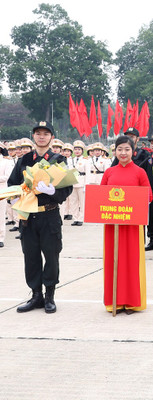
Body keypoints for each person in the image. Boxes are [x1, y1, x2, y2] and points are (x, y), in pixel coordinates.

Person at [11, 121, 73, 313]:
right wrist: (13, 199)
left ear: (51, 138)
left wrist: (53, 190)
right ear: (33, 136)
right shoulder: (24, 159)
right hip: (28, 217)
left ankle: (50, 296)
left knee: (51, 256)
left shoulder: (58, 159)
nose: (41, 137)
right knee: (31, 257)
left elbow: (67, 187)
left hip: (49, 214)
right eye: (38, 133)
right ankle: (36, 295)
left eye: (46, 134)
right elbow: (13, 183)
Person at [99, 135, 153, 313]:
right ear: (114, 151)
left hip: (132, 225)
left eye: (127, 149)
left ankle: (131, 301)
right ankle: (114, 300)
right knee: (113, 261)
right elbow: (101, 196)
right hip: (112, 224)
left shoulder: (140, 172)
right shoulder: (109, 172)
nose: (123, 153)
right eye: (120, 149)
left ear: (133, 151)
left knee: (131, 262)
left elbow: (149, 196)